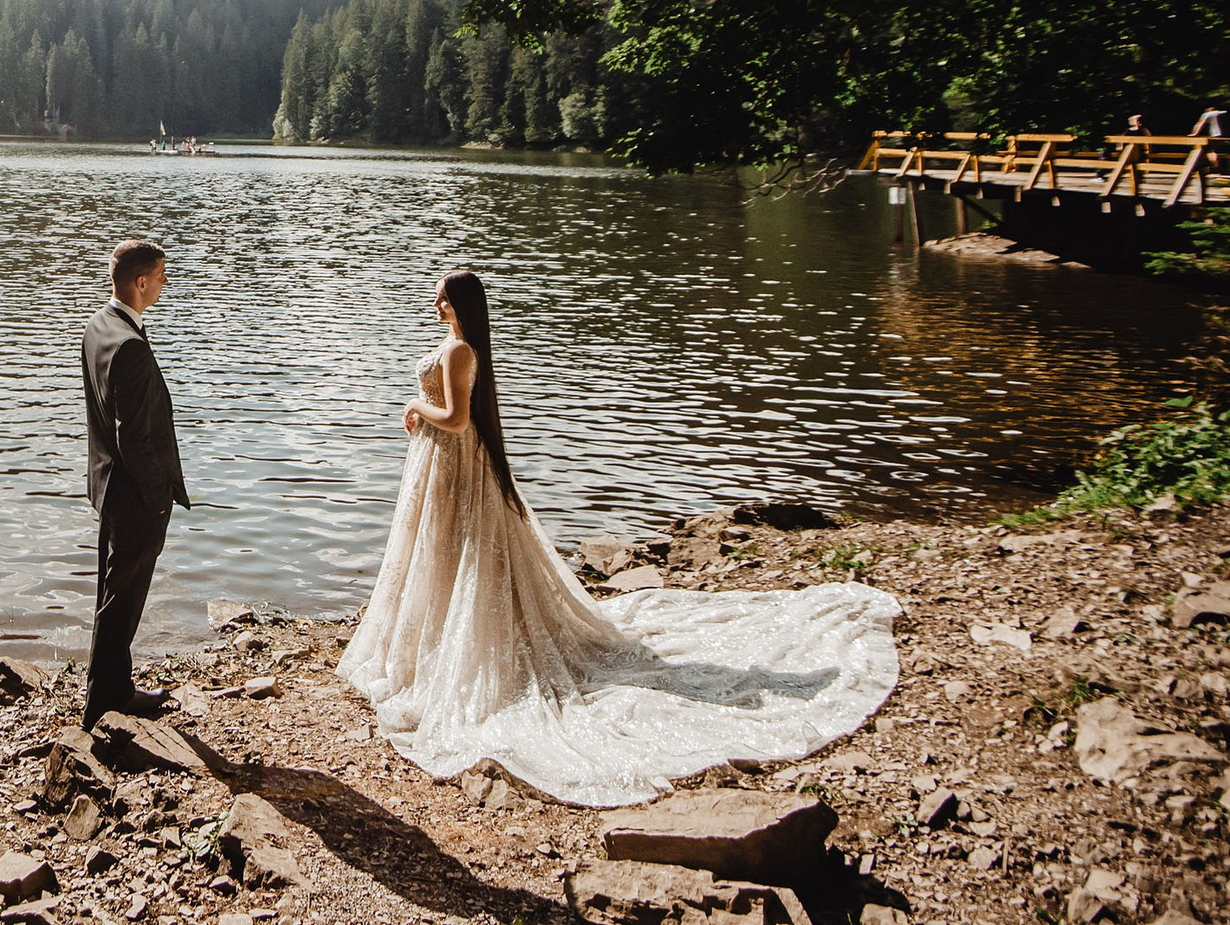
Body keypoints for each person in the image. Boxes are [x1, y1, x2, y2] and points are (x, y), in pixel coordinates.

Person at [338, 270, 900, 805]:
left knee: (459, 556)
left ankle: (457, 652)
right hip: (440, 466)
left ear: (461, 305)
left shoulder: (461, 350)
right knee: (444, 556)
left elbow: (459, 420)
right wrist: (424, 417)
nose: (435, 306)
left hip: (456, 464)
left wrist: (416, 407)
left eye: (442, 298)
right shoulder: (457, 345)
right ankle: (435, 644)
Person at [79, 238, 190, 728]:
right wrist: (157, 498)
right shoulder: (130, 347)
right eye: (162, 276)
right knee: (124, 595)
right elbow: (133, 438)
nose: (166, 285)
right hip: (134, 495)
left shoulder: (99, 326)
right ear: (141, 282)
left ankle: (108, 688)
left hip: (107, 486)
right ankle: (107, 700)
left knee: (113, 591)